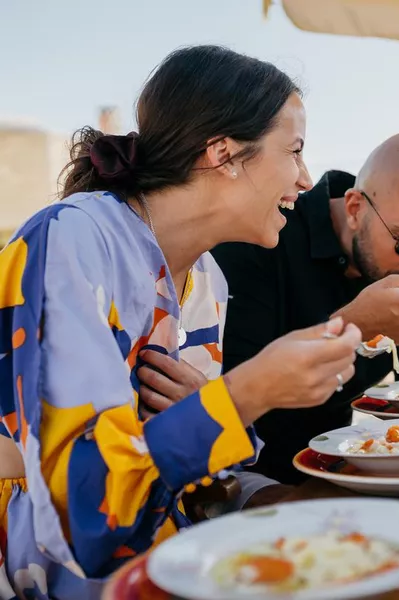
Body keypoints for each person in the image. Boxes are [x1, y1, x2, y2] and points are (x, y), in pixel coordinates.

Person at [0, 45, 361, 600]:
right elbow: (82, 514)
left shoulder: (206, 282)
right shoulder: (69, 242)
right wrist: (243, 396)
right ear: (223, 154)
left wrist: (228, 433)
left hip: (183, 565)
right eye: (294, 150)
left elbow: (183, 480)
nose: (307, 179)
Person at [212, 132, 399, 484]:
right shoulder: (262, 236)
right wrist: (351, 328)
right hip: (250, 488)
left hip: (358, 477)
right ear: (354, 209)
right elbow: (229, 408)